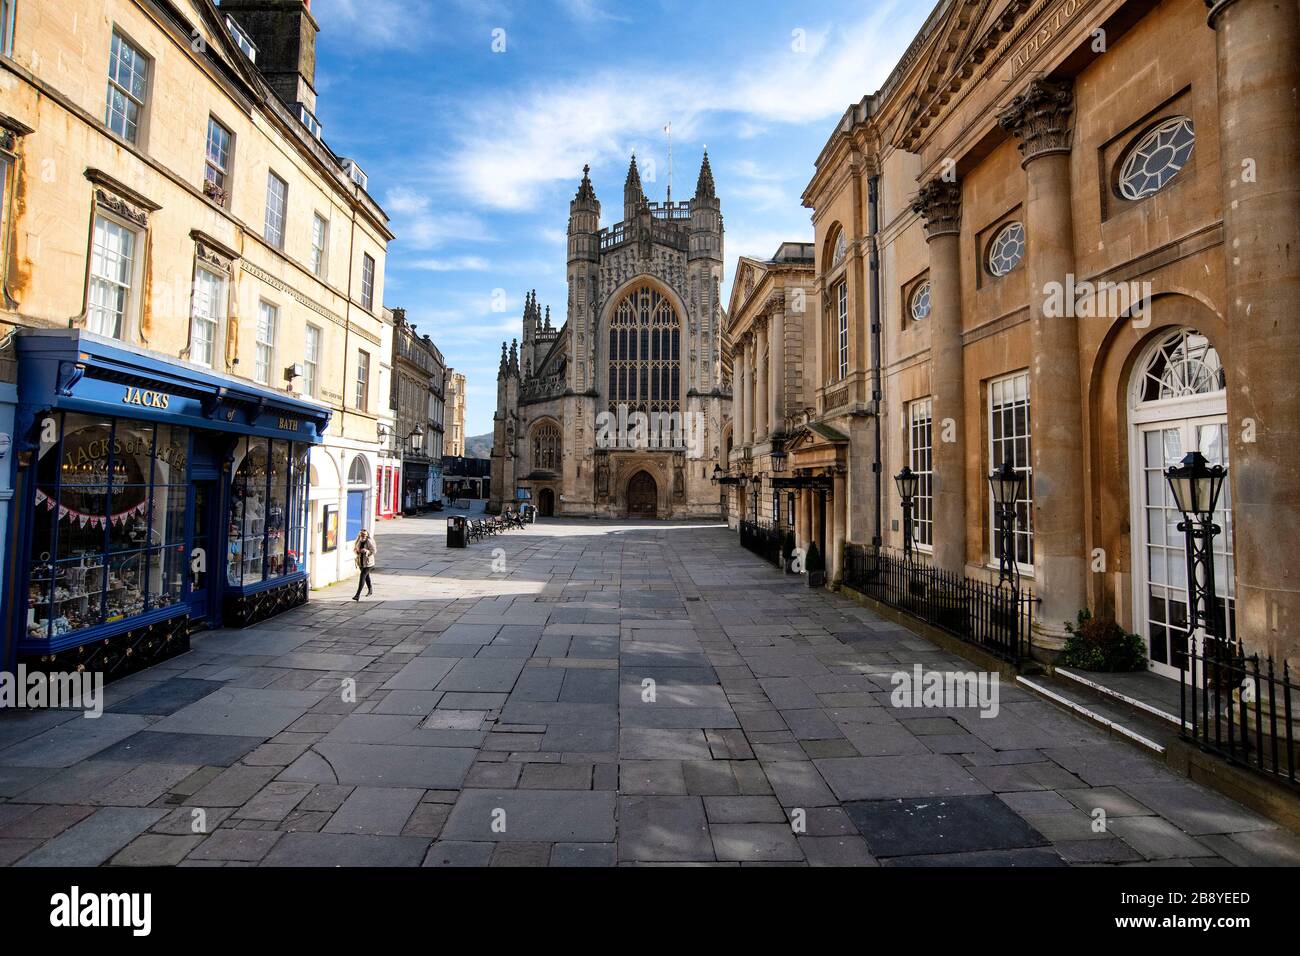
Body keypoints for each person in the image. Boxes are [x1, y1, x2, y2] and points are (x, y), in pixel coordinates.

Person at [352, 528, 376, 601]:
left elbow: (374, 550)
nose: (363, 536)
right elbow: (354, 549)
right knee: (366, 576)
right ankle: (370, 589)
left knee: (362, 576)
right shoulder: (358, 540)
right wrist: (357, 551)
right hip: (361, 562)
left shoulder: (369, 541)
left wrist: (366, 551)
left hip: (368, 563)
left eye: (364, 534)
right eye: (362, 534)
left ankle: (357, 595)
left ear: (367, 535)